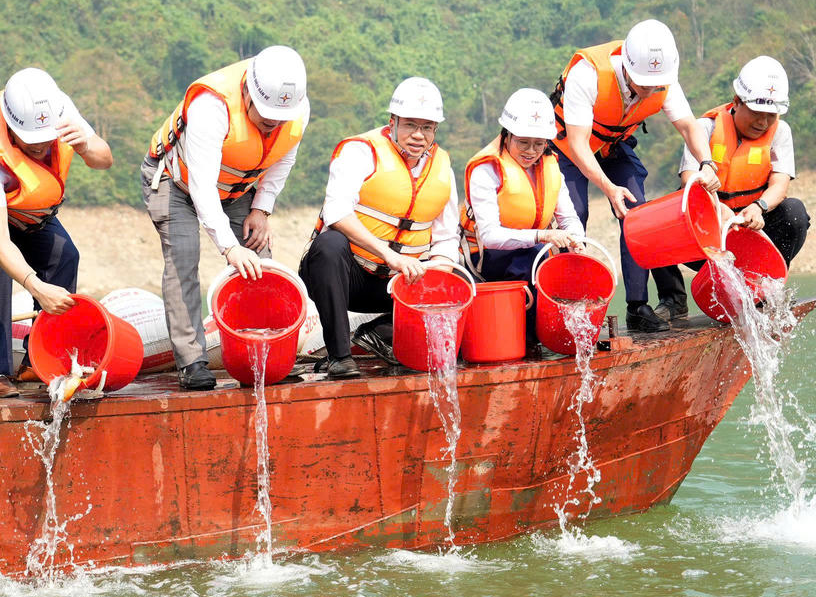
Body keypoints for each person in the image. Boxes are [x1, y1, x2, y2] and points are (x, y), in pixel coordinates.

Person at [141, 45, 309, 391]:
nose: (273, 124)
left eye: (279, 119)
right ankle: (192, 362)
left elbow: (282, 160)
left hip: (235, 188)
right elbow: (200, 187)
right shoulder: (211, 107)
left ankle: (266, 356)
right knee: (184, 258)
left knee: (259, 258)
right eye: (265, 118)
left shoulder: (295, 107)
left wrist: (262, 209)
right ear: (246, 91)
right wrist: (230, 249)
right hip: (177, 183)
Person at [549, 19, 719, 333]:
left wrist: (707, 162)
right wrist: (608, 187)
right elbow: (577, 144)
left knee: (636, 211)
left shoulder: (662, 80)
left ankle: (637, 306)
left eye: (657, 86)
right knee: (573, 217)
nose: (652, 91)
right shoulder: (588, 75)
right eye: (645, 85)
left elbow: (688, 126)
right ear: (627, 67)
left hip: (612, 146)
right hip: (568, 148)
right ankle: (566, 312)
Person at [0, 68, 112, 398]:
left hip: (27, 206)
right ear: (11, 129)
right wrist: (36, 287)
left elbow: (104, 159)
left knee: (65, 255)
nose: (41, 146)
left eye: (45, 138)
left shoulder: (59, 111)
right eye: (32, 140)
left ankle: (41, 358)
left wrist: (84, 144)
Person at [299, 77, 460, 378]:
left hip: (400, 283)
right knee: (330, 244)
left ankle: (377, 331)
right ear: (393, 121)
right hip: (349, 276)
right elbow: (336, 212)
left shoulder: (443, 169)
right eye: (410, 124)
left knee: (458, 290)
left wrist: (438, 273)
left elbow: (447, 236)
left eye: (427, 127)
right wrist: (389, 255)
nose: (418, 135)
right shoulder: (360, 151)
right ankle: (340, 357)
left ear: (435, 130)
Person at [651, 56, 811, 320]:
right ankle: (673, 299)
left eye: (770, 116)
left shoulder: (780, 131)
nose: (763, 122)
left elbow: (780, 183)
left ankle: (768, 288)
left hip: (753, 232)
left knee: (794, 212)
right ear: (737, 101)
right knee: (657, 222)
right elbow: (688, 181)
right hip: (709, 233)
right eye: (757, 113)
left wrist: (759, 208)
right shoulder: (706, 128)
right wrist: (718, 209)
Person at [460, 87, 584, 281]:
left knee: (565, 266)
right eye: (523, 142)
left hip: (534, 251)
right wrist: (541, 236)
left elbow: (568, 218)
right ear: (507, 135)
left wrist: (576, 240)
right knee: (534, 257)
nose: (531, 151)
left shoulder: (550, 167)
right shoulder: (486, 170)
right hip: (485, 256)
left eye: (539, 143)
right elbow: (490, 236)